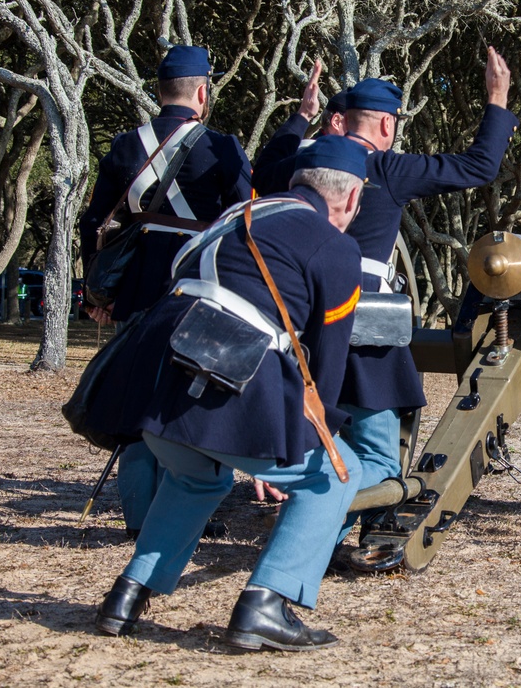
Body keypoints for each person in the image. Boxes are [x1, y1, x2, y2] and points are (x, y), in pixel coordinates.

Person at [91, 135, 367, 651]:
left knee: (194, 479)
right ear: (351, 199)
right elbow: (326, 367)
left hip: (152, 375)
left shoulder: (240, 212)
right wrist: (308, 436)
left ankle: (128, 593)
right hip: (228, 369)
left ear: (295, 184)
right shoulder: (335, 246)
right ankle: (268, 601)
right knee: (332, 473)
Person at [252, 47, 519, 544]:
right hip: (359, 318)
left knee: (317, 422)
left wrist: (300, 117)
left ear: (342, 118)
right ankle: (324, 527)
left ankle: (314, 500)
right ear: (387, 126)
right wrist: (497, 98)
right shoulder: (389, 169)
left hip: (296, 315)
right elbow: (480, 166)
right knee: (376, 446)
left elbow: (259, 171)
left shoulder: (300, 159)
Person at [78, 45, 253, 540]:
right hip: (197, 280)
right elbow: (244, 216)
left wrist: (96, 290)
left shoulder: (127, 145)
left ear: (160, 92)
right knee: (187, 396)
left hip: (137, 282)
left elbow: (95, 223)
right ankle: (185, 514)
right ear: (202, 91)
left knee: (138, 397)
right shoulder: (221, 146)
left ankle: (140, 516)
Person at [251, 58, 347, 196]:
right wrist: (303, 114)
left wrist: (304, 114)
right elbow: (263, 178)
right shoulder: (311, 157)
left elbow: (263, 177)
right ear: (336, 121)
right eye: (359, 122)